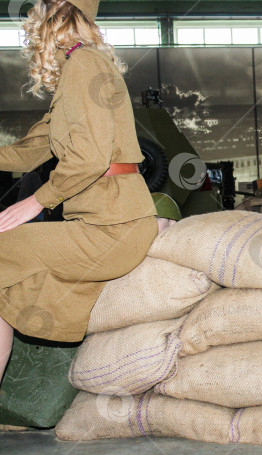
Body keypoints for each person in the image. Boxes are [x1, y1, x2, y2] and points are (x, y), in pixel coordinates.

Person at [0, 0, 157, 378]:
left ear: (54, 20)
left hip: (112, 226)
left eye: (35, 20)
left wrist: (35, 203)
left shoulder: (83, 64)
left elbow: (91, 157)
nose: (30, 31)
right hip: (104, 220)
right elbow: (28, 152)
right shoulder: (78, 68)